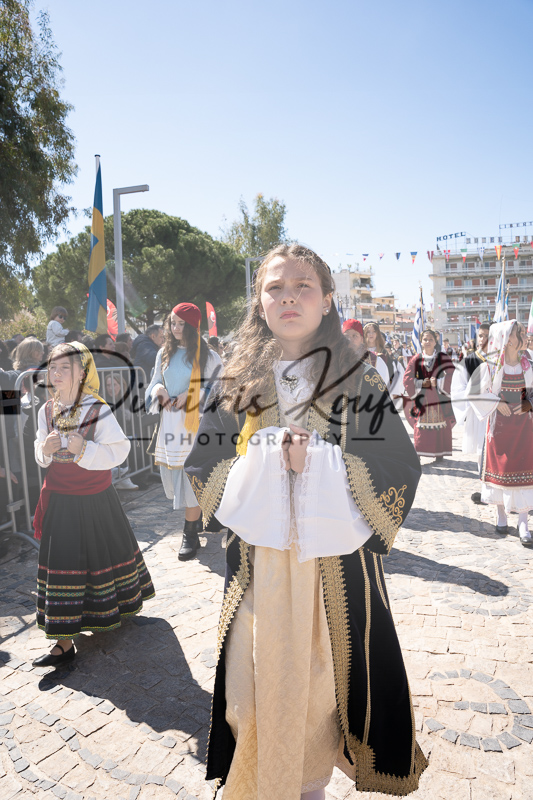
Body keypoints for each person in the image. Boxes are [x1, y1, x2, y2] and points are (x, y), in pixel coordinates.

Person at [184, 244, 427, 799]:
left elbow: (398, 467)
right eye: (275, 287)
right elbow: (204, 465)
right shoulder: (236, 381)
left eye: (303, 287)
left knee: (321, 701)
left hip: (333, 575)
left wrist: (317, 464)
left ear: (327, 301)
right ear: (259, 302)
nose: (288, 297)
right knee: (250, 694)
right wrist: (266, 460)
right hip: (259, 572)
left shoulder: (359, 382)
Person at [31, 342, 155, 666]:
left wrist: (84, 449)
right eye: (52, 367)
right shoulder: (46, 410)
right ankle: (63, 641)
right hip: (60, 500)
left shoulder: (97, 409)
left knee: (102, 556)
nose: (56, 373)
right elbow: (39, 450)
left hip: (95, 499)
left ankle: (114, 609)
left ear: (81, 372)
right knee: (63, 565)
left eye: (64, 367)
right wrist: (45, 449)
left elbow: (120, 450)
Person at [145, 304, 223, 560]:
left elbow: (219, 389)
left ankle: (189, 534)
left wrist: (191, 396)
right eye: (172, 323)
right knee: (176, 479)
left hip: (198, 425)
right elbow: (155, 381)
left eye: (181, 324)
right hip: (170, 424)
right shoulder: (163, 353)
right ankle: (197, 519)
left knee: (192, 477)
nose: (175, 328)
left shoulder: (208, 356)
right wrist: (159, 391)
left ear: (192, 326)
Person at [473, 321, 533, 547]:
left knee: (525, 469)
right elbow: (475, 392)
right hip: (499, 427)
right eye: (519, 333)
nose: (525, 336)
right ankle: (501, 515)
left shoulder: (529, 365)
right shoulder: (491, 367)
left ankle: (524, 522)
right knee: (501, 469)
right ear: (507, 340)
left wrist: (529, 403)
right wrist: (496, 403)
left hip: (524, 427)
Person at [451, 323, 490, 502]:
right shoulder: (469, 360)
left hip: (500, 411)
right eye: (481, 336)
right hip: (479, 412)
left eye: (488, 336)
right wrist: (473, 395)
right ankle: (485, 489)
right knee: (482, 450)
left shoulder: (502, 359)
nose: (484, 339)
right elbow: (457, 388)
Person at [403, 329, 455, 462]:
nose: (428, 342)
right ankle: (419, 452)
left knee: (440, 425)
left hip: (439, 398)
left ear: (435, 341)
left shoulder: (443, 358)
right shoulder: (416, 359)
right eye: (425, 339)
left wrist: (439, 382)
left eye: (431, 339)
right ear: (421, 342)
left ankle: (439, 452)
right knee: (420, 426)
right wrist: (421, 383)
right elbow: (407, 378)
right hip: (423, 399)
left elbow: (452, 375)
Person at [341, 319, 389, 386]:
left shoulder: (376, 361)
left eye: (354, 336)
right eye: (346, 336)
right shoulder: (334, 361)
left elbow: (383, 389)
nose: (350, 340)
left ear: (361, 339)